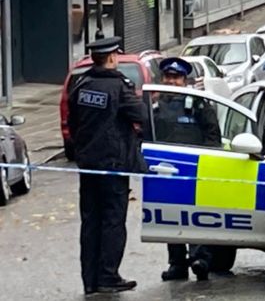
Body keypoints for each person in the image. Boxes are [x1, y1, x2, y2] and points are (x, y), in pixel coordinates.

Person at [67, 37, 147, 295]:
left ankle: (89, 280)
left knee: (90, 221)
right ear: (112, 58)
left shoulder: (80, 85)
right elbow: (142, 116)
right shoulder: (119, 87)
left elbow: (74, 122)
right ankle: (108, 276)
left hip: (88, 165)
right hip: (113, 165)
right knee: (113, 220)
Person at [154, 57, 220, 282]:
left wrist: (208, 162)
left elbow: (213, 134)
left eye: (176, 78)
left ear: (184, 80)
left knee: (197, 214)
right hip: (166, 169)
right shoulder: (155, 105)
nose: (171, 82)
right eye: (168, 77)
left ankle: (200, 258)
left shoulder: (198, 103)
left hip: (195, 167)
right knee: (171, 216)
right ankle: (177, 264)